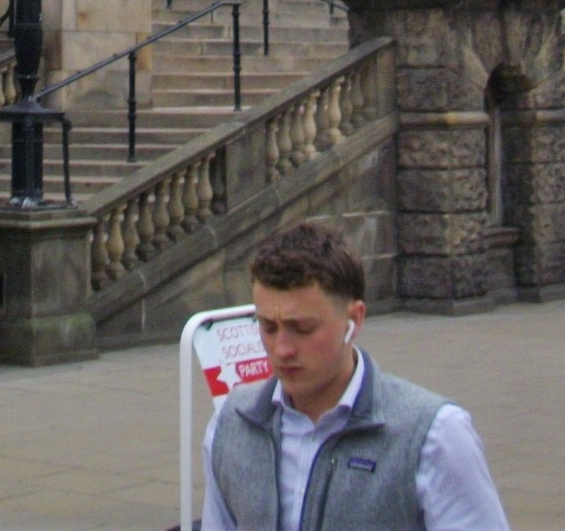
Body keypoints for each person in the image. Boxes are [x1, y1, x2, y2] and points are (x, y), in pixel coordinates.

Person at [202, 221, 508, 531]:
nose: (282, 349)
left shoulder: (433, 434)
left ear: (354, 319)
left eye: (302, 329)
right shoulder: (232, 425)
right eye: (268, 327)